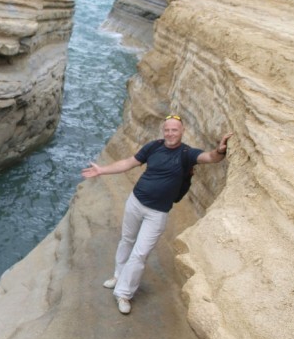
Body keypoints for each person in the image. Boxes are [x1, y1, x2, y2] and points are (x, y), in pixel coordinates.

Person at [81, 115, 232, 315]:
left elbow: (210, 157)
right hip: (135, 202)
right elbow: (129, 162)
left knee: (141, 252)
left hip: (157, 213)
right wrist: (102, 170)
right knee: (127, 239)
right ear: (163, 131)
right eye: (167, 130)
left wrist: (220, 150)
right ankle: (119, 275)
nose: (170, 133)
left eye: (174, 130)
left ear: (182, 131)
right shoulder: (153, 147)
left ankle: (124, 293)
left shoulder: (186, 154)